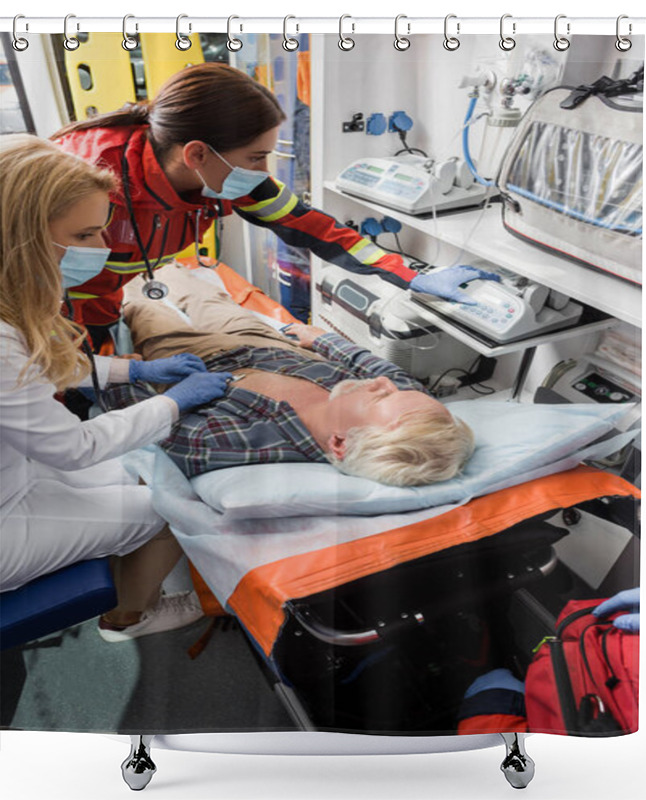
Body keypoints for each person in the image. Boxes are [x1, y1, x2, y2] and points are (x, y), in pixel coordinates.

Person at [51, 62, 498, 353]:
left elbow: (314, 228)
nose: (263, 171)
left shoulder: (225, 177)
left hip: (104, 304)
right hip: (41, 308)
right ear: (197, 154)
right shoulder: (84, 179)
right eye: (256, 157)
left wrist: (412, 275)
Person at [0, 135, 235, 643]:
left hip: (16, 474)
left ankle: (129, 575)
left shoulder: (9, 305)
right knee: (176, 503)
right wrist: (173, 403)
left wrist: (135, 373)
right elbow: (73, 447)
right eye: (84, 235)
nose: (102, 251)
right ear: (20, 237)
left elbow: (33, 372)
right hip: (7, 515)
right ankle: (130, 616)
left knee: (138, 471)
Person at [102, 262, 475, 487]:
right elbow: (379, 368)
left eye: (381, 396)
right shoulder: (408, 406)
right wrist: (324, 339)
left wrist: (129, 374)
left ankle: (135, 279)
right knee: (198, 290)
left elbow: (153, 422)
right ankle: (167, 267)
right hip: (266, 345)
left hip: (190, 362)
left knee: (141, 300)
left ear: (340, 444)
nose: (384, 383)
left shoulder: (242, 442)